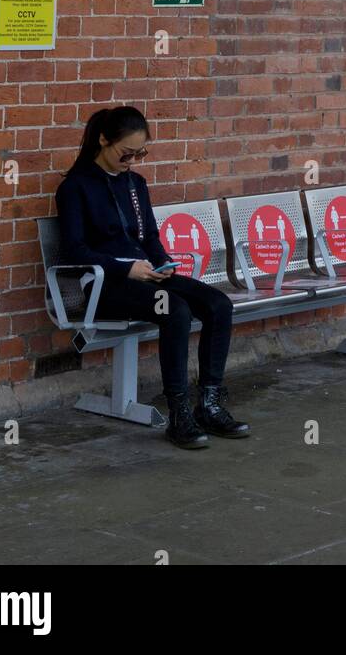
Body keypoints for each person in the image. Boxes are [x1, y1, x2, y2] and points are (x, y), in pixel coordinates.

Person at [55, 105, 249, 451]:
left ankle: (209, 403)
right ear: (103, 140)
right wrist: (125, 267)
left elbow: (148, 238)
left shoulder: (135, 184)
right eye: (126, 153)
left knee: (218, 304)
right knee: (174, 308)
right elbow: (74, 250)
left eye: (139, 153)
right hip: (102, 283)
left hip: (146, 277)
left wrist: (163, 262)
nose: (132, 161)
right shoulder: (76, 188)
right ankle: (178, 414)